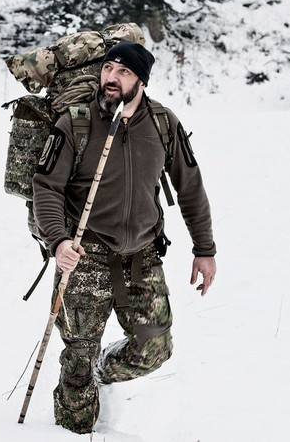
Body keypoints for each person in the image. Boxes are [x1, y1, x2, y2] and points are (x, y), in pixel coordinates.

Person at [32, 40, 216, 434]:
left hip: (142, 257)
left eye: (124, 72)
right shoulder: (76, 122)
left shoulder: (163, 124)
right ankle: (71, 424)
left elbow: (190, 186)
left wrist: (205, 249)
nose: (112, 77)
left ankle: (102, 370)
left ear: (142, 81)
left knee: (154, 348)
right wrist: (59, 240)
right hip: (85, 254)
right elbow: (45, 187)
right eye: (108, 68)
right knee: (78, 359)